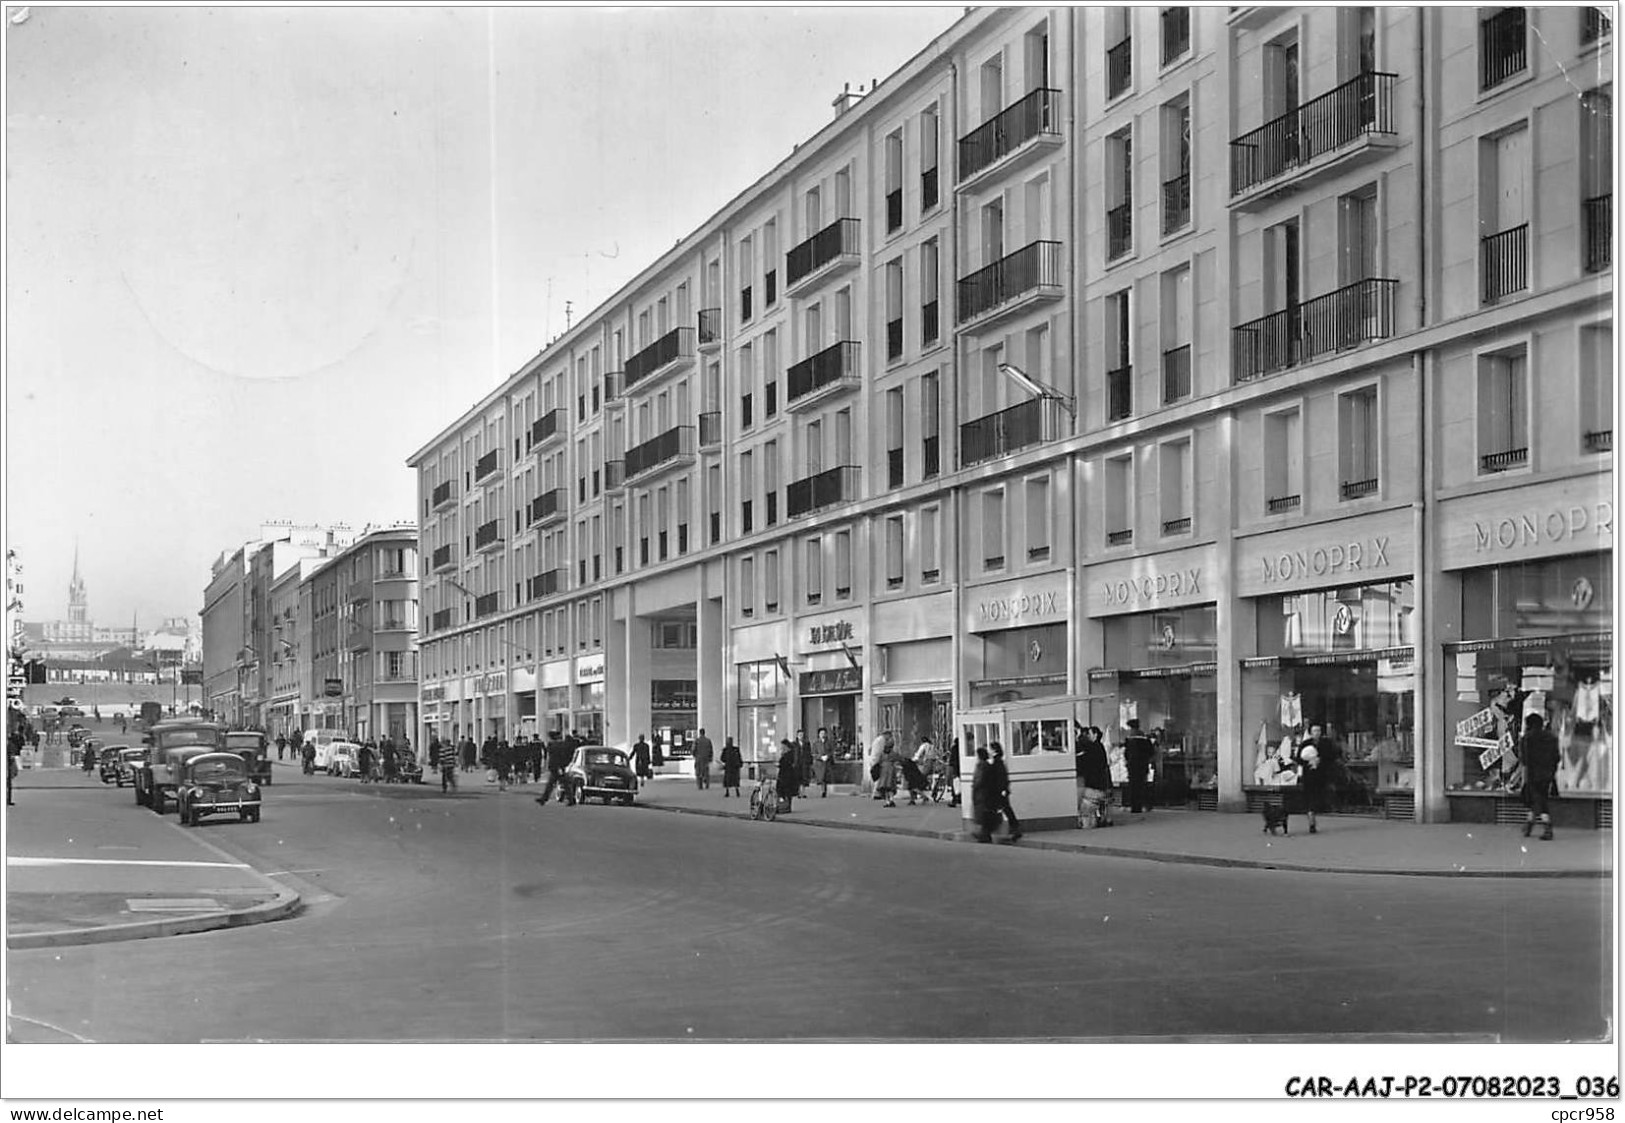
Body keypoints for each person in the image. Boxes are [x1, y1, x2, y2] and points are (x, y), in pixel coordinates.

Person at [1520, 712, 1560, 841]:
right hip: (1548, 774)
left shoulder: (1527, 738)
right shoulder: (1551, 737)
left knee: (1540, 801)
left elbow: (1524, 760)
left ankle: (1547, 827)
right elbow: (1557, 757)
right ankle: (1529, 824)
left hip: (1533, 774)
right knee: (1538, 798)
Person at [1298, 722, 1335, 833]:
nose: (1316, 733)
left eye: (1318, 731)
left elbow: (1332, 756)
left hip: (1321, 774)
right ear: (1310, 732)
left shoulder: (1326, 743)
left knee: (1319, 796)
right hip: (1309, 775)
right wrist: (1308, 762)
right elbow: (1298, 758)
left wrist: (1320, 760)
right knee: (1310, 798)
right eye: (1314, 731)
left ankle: (1316, 812)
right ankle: (1311, 820)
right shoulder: (1305, 744)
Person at [1076, 724, 1114, 829]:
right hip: (1101, 785)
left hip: (1094, 787)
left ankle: (1087, 823)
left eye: (1089, 733)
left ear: (1095, 735)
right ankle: (1101, 819)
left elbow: (1081, 760)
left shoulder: (1092, 748)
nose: (1087, 736)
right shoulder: (1099, 748)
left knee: (1084, 804)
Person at [989, 743, 1022, 842]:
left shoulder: (997, 762)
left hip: (999, 791)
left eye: (990, 749)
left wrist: (1002, 789)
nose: (989, 751)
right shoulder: (998, 761)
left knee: (1004, 809)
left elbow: (1001, 777)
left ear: (994, 750)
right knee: (1005, 809)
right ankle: (1014, 829)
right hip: (1000, 790)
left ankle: (1014, 829)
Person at [1123, 719, 1155, 814]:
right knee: (1142, 785)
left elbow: (1126, 754)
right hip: (1143, 766)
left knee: (1133, 787)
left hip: (1132, 767)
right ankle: (1143, 805)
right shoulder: (1145, 739)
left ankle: (1134, 807)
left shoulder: (1130, 740)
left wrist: (1128, 761)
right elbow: (1151, 752)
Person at [970, 746, 996, 842]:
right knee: (984, 813)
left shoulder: (981, 766)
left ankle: (984, 834)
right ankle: (984, 834)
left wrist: (975, 786)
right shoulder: (987, 765)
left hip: (981, 793)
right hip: (985, 793)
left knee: (981, 813)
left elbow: (979, 779)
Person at [775, 738, 800, 813]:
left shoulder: (788, 754)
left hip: (786, 775)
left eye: (783, 746)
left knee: (785, 791)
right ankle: (785, 806)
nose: (781, 748)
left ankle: (784, 807)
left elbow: (785, 764)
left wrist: (779, 765)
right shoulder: (789, 754)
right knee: (785, 792)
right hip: (787, 775)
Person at [874, 742, 900, 807]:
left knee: (884, 788)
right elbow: (899, 759)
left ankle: (887, 801)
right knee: (890, 787)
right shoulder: (893, 754)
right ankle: (891, 800)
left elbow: (877, 761)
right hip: (891, 771)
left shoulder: (882, 754)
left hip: (883, 771)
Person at [812, 727, 834, 797]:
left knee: (825, 778)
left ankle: (824, 791)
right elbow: (813, 753)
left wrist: (828, 756)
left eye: (824, 733)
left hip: (827, 762)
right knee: (821, 778)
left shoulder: (829, 742)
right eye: (821, 733)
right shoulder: (816, 743)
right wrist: (820, 757)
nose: (823, 735)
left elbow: (832, 751)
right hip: (819, 763)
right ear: (818, 734)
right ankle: (822, 790)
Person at [794, 729, 814, 797]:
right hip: (797, 763)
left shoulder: (807, 743)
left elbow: (809, 753)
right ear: (797, 736)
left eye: (802, 735)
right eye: (799, 735)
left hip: (805, 763)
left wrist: (810, 762)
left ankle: (803, 792)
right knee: (797, 778)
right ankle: (799, 793)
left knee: (804, 778)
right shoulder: (794, 744)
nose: (801, 736)